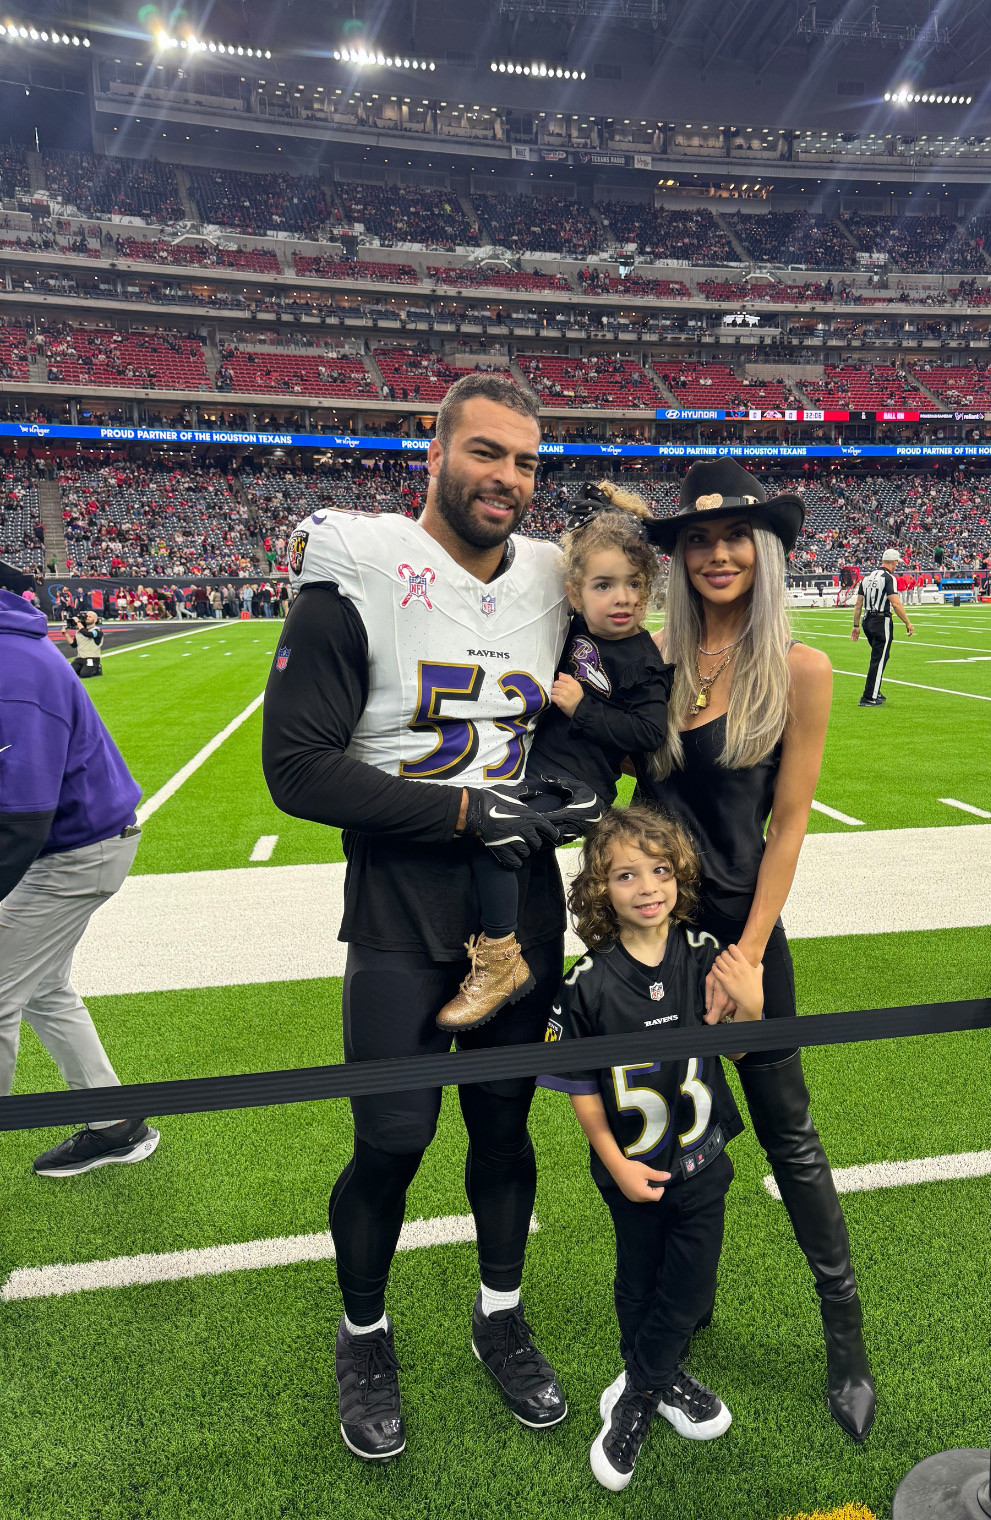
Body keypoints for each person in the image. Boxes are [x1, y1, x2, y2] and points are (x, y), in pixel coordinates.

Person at [262, 373, 570, 1463]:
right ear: (434, 452)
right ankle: (364, 1329)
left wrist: (579, 794)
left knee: (503, 1129)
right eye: (487, 452)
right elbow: (294, 767)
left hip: (521, 904)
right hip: (399, 899)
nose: (508, 479)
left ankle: (500, 1312)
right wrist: (464, 807)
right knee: (392, 1137)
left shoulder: (555, 576)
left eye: (527, 461)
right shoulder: (359, 563)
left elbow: (622, 694)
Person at [636, 458, 875, 1442]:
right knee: (682, 1134)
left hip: (746, 940)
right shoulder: (653, 660)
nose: (719, 552)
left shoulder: (802, 668)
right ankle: (682, 1311)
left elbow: (785, 828)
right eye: (699, 538)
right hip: (656, 947)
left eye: (735, 536)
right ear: (681, 555)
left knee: (793, 1138)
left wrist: (745, 955)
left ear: (763, 548)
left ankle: (847, 1338)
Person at [538, 807, 763, 1491]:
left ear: (679, 876)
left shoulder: (702, 953)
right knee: (636, 1280)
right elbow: (579, 1086)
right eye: (625, 874)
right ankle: (655, 1383)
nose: (646, 887)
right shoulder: (586, 982)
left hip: (700, 1159)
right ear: (599, 889)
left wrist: (749, 1004)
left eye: (659, 871)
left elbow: (740, 1045)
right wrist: (613, 1163)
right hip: (631, 1167)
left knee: (690, 1285)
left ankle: (639, 1389)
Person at [436, 482, 671, 1032]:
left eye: (635, 585)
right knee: (471, 816)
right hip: (536, 771)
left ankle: (499, 957)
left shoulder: (640, 657)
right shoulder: (568, 629)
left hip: (585, 792)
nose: (623, 598)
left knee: (497, 832)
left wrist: (583, 708)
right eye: (605, 585)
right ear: (574, 592)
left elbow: (650, 732)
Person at [0, 559, 159, 1177]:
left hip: (71, 851)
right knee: (43, 988)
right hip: (70, 843)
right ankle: (115, 1123)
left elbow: (21, 818)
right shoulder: (17, 653)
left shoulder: (13, 667)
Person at [852, 547, 913, 707]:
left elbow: (858, 604)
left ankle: (875, 690)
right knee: (878, 659)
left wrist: (856, 625)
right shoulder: (888, 578)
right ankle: (868, 696)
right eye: (896, 563)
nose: (896, 566)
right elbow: (895, 602)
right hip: (881, 621)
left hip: (867, 620)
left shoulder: (866, 578)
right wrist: (907, 622)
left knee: (880, 657)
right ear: (893, 563)